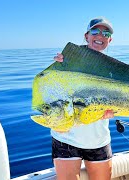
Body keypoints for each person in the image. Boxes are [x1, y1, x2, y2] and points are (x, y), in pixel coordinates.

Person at [51, 17, 114, 180]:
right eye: (95, 31)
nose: (100, 36)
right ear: (86, 36)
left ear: (110, 40)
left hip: (98, 139)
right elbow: (52, 92)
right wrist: (56, 69)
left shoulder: (113, 68)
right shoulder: (67, 59)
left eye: (105, 33)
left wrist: (115, 110)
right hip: (66, 138)